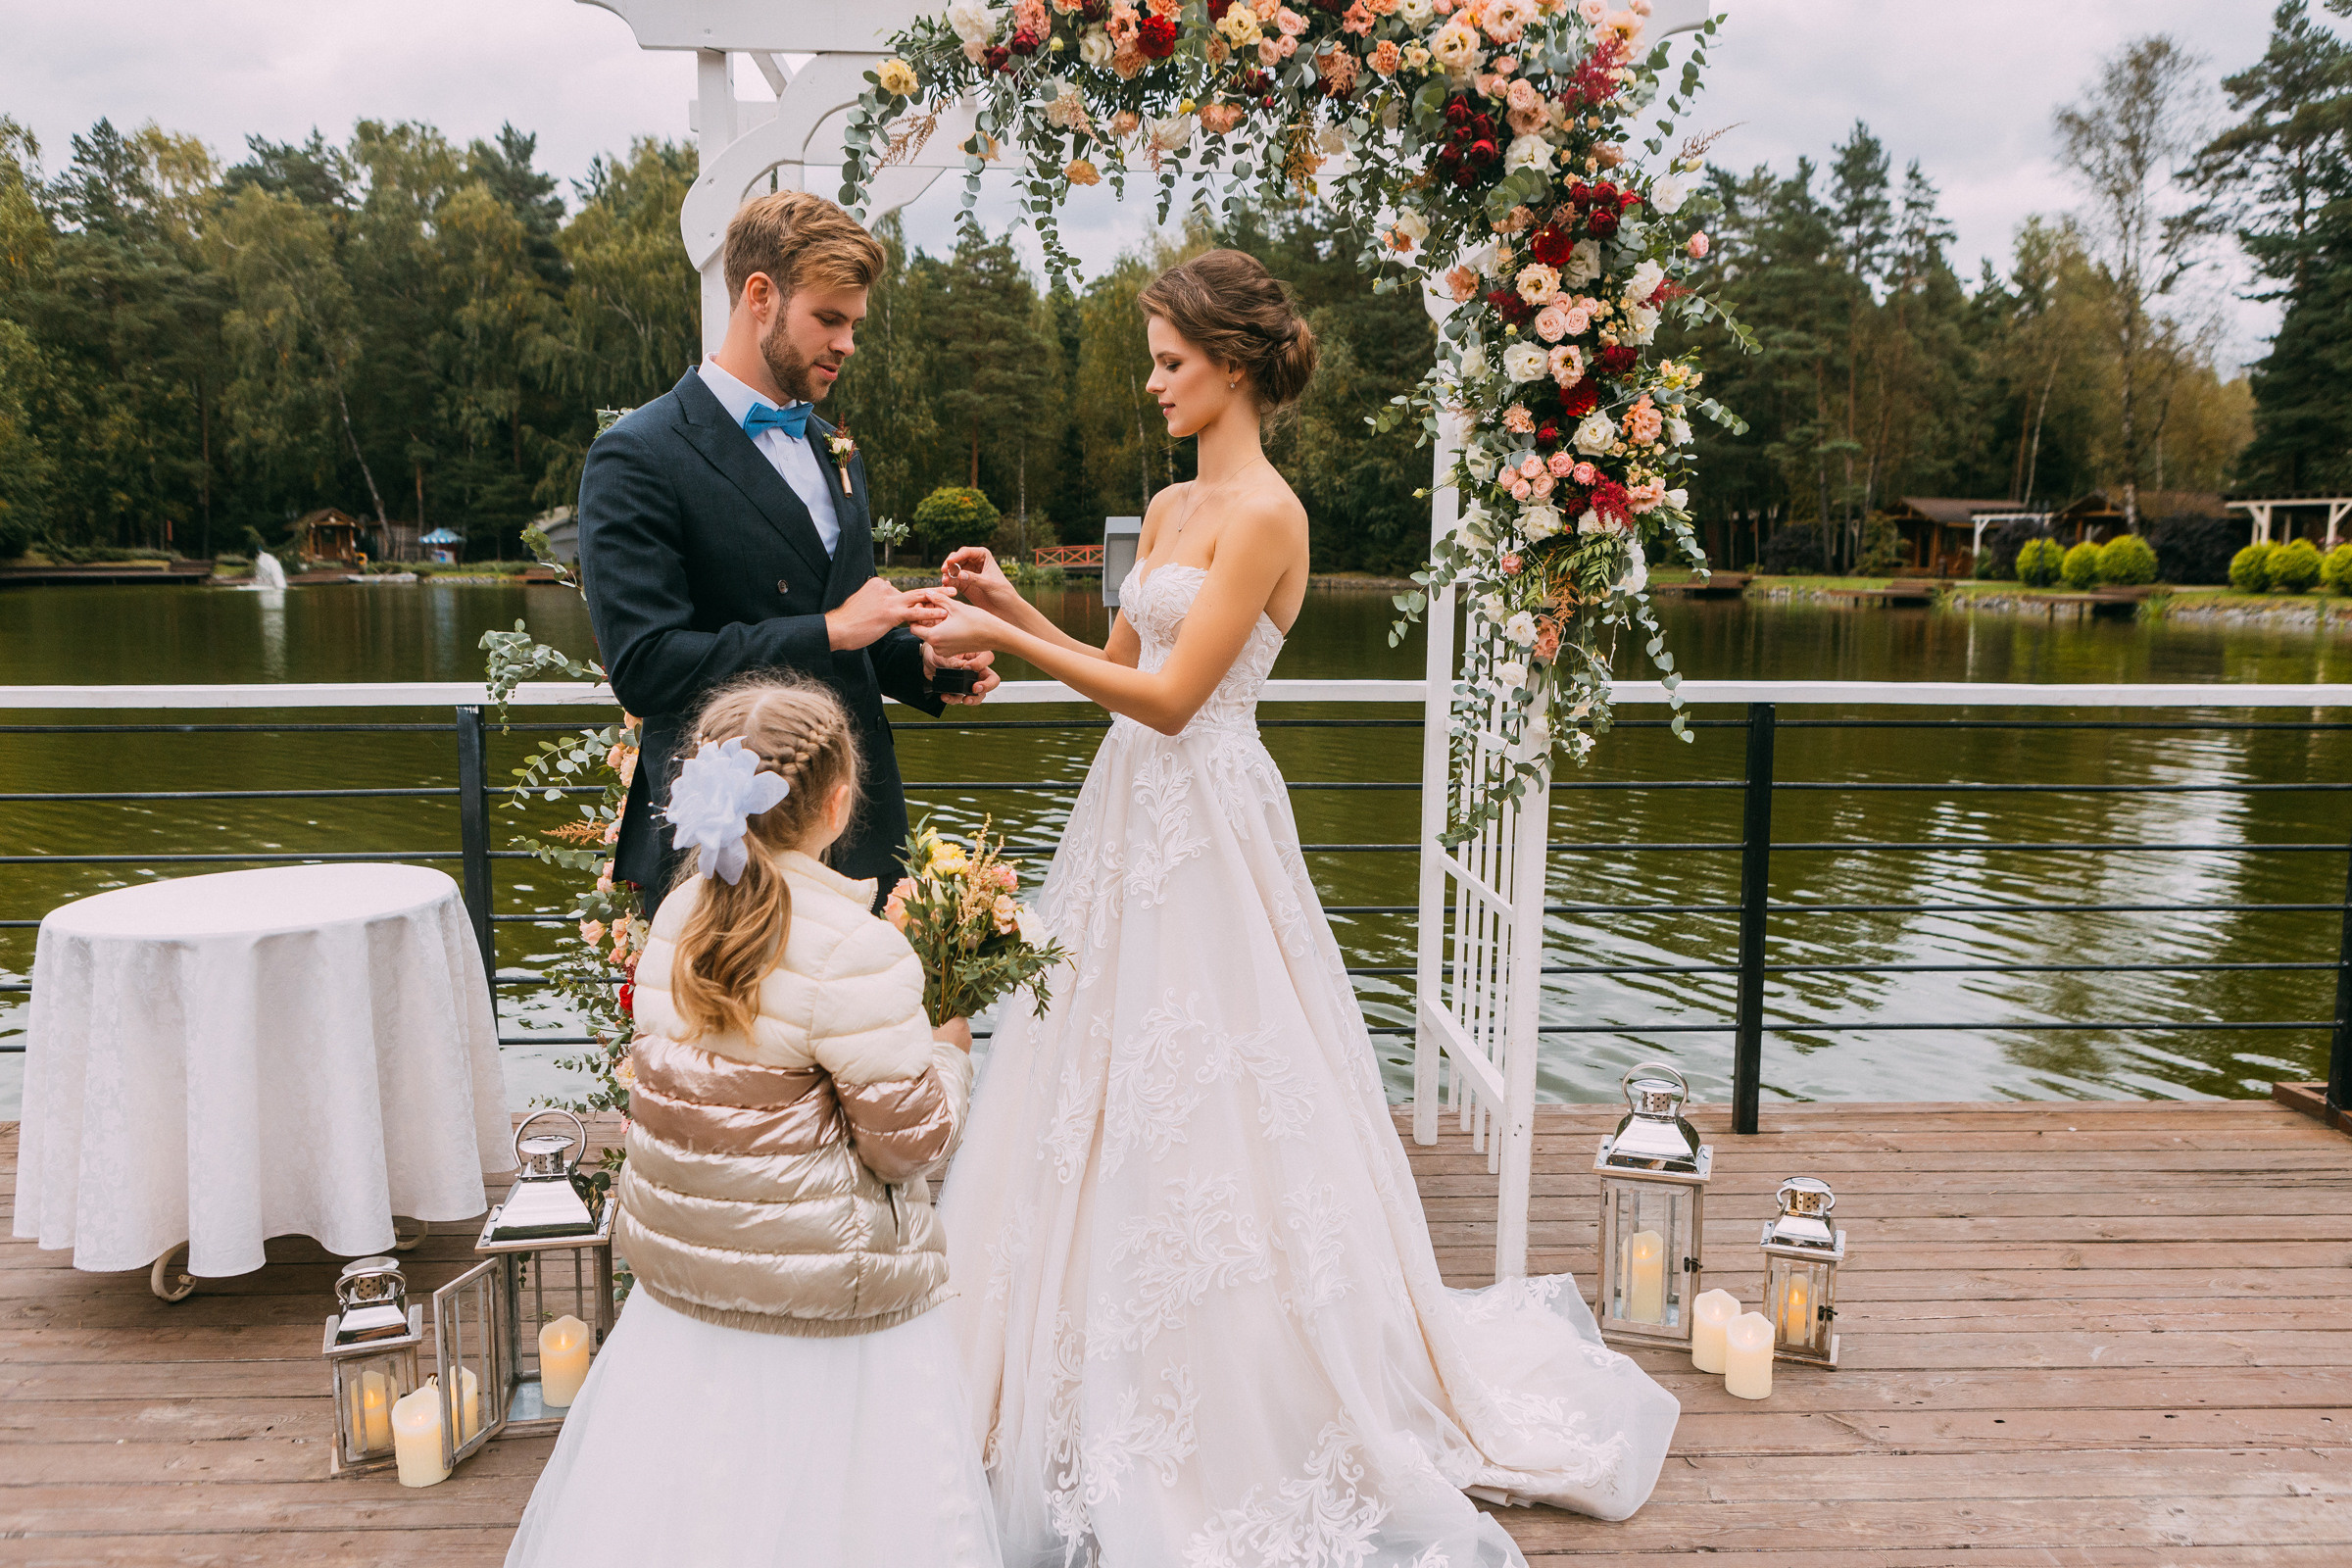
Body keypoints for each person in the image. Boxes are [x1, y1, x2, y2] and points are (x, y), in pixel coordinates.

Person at [910, 251, 1680, 1567]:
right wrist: (1005, 604)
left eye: (1169, 360)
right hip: (1125, 818)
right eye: (1151, 360)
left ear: (1237, 363)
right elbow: (1116, 669)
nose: (1153, 383)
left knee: (1218, 1090)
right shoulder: (1162, 506)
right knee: (1088, 1087)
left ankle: (1249, 1390)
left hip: (1210, 819)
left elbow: (1176, 701)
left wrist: (997, 643)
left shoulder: (1268, 513)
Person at [506, 676, 1001, 1568]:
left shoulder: (677, 917)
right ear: (841, 802)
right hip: (827, 1301)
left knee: (698, 1509)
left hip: (688, 1291)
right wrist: (950, 1054)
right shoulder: (860, 949)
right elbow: (909, 1143)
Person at [578, 190, 997, 919]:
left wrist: (923, 663)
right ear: (761, 296)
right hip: (730, 853)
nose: (848, 344)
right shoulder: (639, 455)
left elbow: (848, 626)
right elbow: (646, 667)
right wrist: (830, 629)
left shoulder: (834, 448)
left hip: (856, 827)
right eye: (829, 320)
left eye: (854, 324)